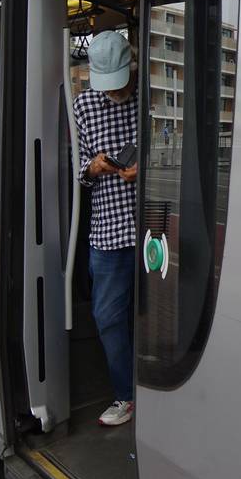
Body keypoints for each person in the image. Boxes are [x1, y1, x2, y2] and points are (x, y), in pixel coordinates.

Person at [73, 31, 139, 427]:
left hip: (153, 225)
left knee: (158, 317)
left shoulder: (149, 96)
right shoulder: (83, 107)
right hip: (109, 228)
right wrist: (94, 168)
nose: (115, 93)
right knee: (108, 316)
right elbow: (80, 173)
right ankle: (126, 395)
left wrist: (145, 168)